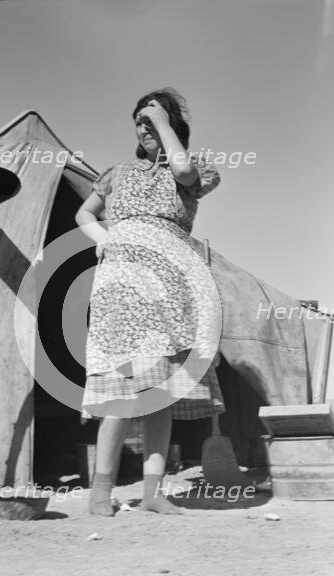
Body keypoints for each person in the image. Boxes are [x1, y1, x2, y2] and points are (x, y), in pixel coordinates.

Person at [75, 88, 225, 516]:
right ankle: (101, 493)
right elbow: (84, 214)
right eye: (138, 124)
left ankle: (152, 494)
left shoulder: (198, 170)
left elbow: (181, 171)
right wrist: (104, 237)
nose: (143, 130)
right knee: (123, 389)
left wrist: (163, 122)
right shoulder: (117, 173)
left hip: (173, 285)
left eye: (151, 122)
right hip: (123, 285)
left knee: (161, 394)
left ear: (172, 124)